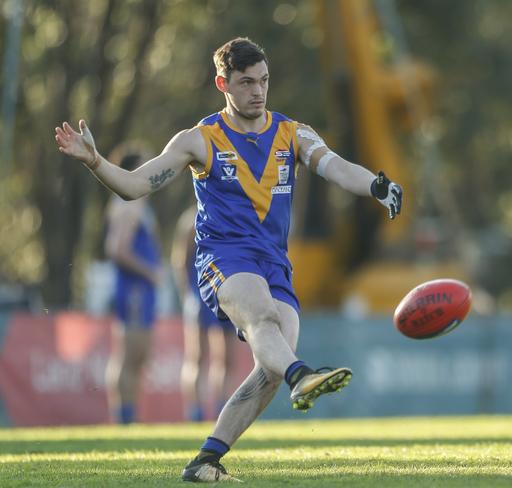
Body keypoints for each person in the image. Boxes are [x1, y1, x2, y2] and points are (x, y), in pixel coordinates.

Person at [55, 37, 402, 482]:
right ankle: (302, 374)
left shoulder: (293, 133)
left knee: (270, 364)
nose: (258, 91)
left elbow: (335, 166)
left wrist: (376, 185)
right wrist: (94, 161)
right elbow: (135, 186)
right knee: (261, 319)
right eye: (246, 83)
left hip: (275, 263)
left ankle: (205, 460)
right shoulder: (199, 140)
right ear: (223, 83)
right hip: (224, 258)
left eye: (263, 81)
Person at [103, 147, 162, 424]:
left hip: (140, 289)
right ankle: (124, 418)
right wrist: (149, 272)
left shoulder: (135, 203)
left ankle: (129, 414)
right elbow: (117, 249)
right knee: (129, 354)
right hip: (134, 288)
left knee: (137, 356)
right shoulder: (128, 204)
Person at [172, 204, 237, 422]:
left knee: (227, 358)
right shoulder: (192, 218)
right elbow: (180, 261)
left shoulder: (229, 215)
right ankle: (196, 412)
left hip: (227, 290)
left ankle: (222, 410)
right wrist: (187, 297)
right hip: (200, 293)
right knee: (198, 356)